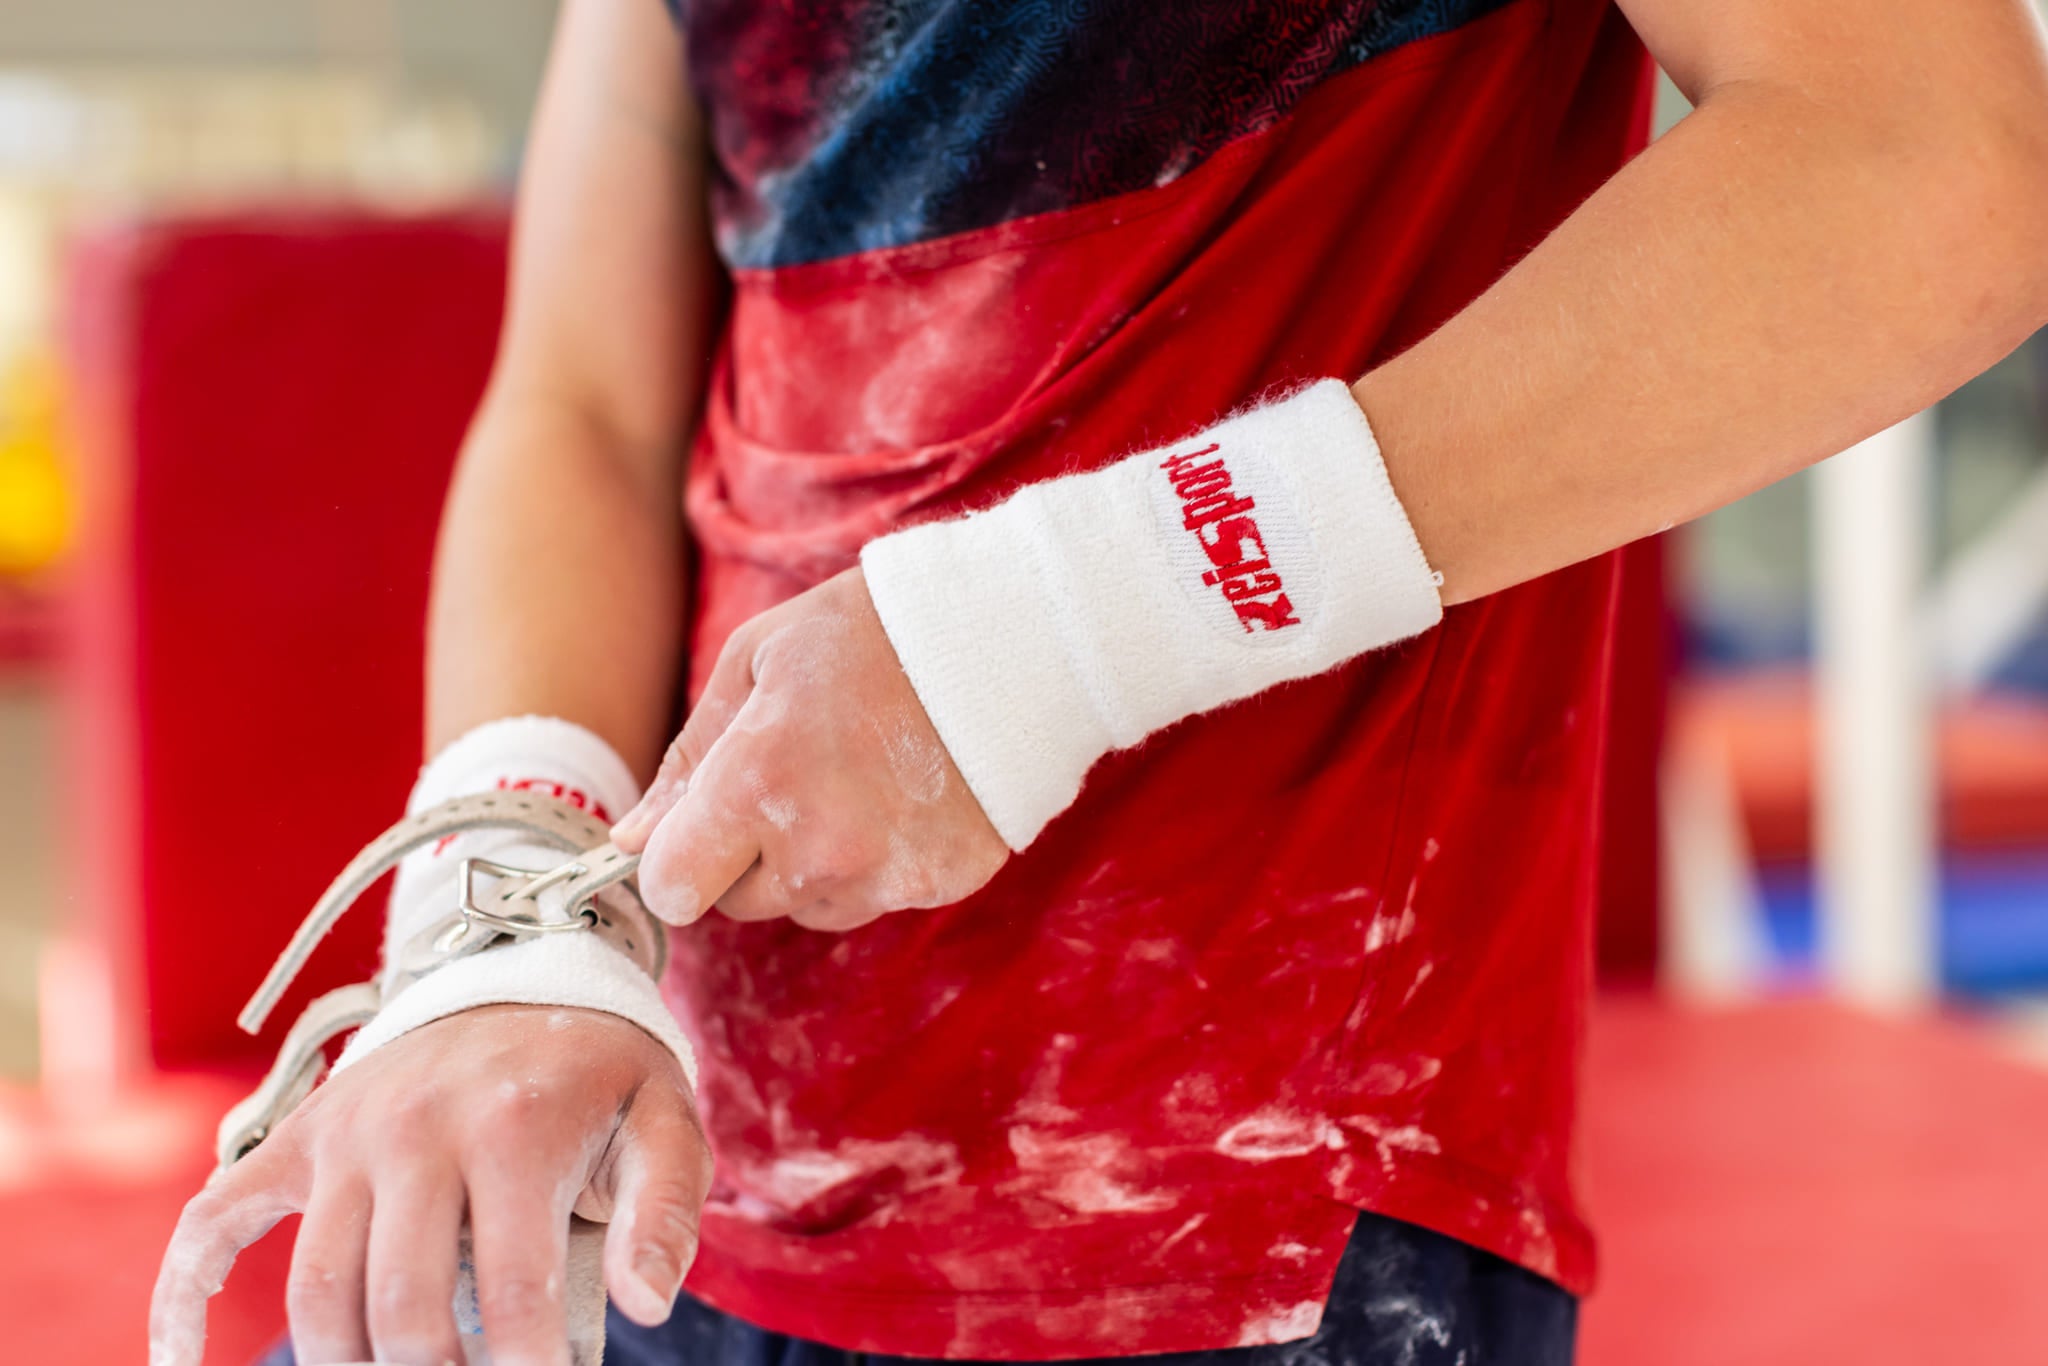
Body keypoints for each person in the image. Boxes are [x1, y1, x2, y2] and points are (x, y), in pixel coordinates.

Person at [152, 0, 2048, 1363]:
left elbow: (1923, 168)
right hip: (678, 1167)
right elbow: (580, 395)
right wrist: (503, 922)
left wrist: (1053, 633)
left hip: (1253, 1198)